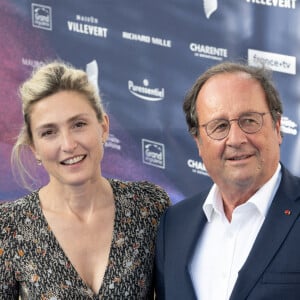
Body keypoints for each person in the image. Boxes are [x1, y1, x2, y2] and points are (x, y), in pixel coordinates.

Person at [0, 61, 170, 299]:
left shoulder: (148, 206)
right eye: (49, 132)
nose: (68, 145)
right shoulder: (9, 227)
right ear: (34, 148)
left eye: (78, 124)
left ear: (103, 127)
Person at [155, 61, 300, 300]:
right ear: (198, 143)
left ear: (277, 127)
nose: (235, 139)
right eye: (219, 126)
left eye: (249, 121)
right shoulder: (173, 225)